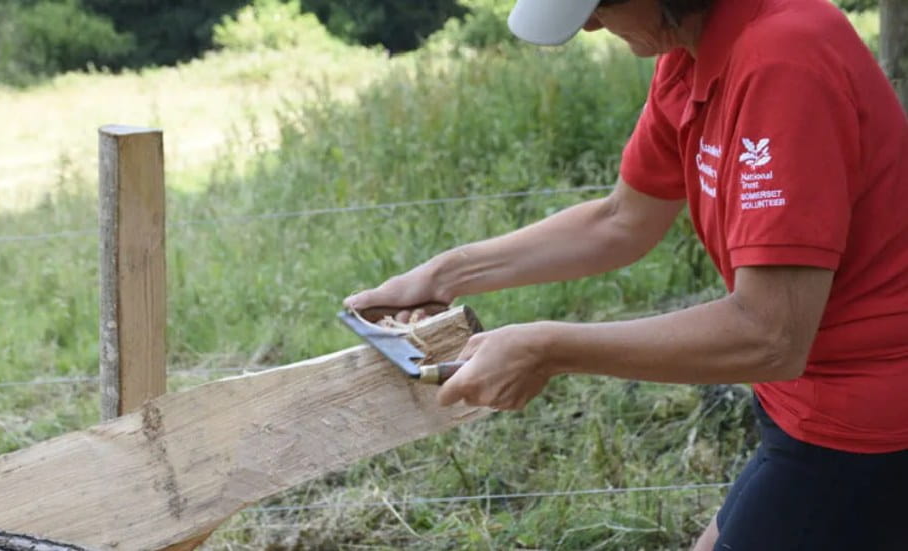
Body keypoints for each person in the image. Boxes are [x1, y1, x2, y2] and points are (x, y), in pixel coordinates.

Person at [344, 0, 908, 548]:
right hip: (801, 402)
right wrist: (443, 274)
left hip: (868, 423)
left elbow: (770, 335)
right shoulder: (690, 53)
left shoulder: (785, 59)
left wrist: (547, 348)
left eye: (600, 5)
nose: (589, 24)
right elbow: (621, 221)